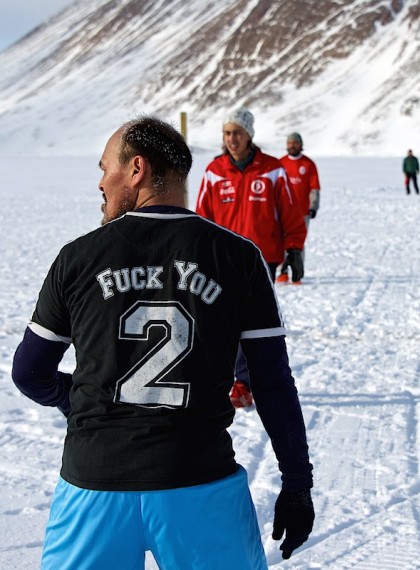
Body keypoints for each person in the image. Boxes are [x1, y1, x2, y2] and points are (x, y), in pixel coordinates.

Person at [11, 116, 314, 569]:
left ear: (136, 170)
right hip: (199, 484)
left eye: (104, 168)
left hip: (93, 487)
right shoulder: (238, 258)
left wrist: (76, 399)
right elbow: (272, 383)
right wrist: (296, 483)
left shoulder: (78, 258)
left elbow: (28, 373)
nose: (100, 182)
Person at [196, 108, 307, 407]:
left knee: (252, 322)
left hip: (262, 259)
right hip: (222, 259)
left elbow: (290, 211)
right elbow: (202, 217)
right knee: (223, 321)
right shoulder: (214, 171)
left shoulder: (272, 169)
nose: (232, 139)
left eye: (238, 133)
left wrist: (294, 248)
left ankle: (245, 381)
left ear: (250, 135)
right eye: (227, 133)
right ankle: (234, 379)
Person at [278, 131, 321, 283]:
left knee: (298, 243)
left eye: (295, 143)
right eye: (289, 143)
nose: (292, 146)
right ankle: (282, 272)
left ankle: (297, 274)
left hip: (302, 212)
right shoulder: (280, 163)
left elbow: (314, 187)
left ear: (300, 145)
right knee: (281, 242)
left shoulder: (308, 164)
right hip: (283, 212)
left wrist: (313, 206)